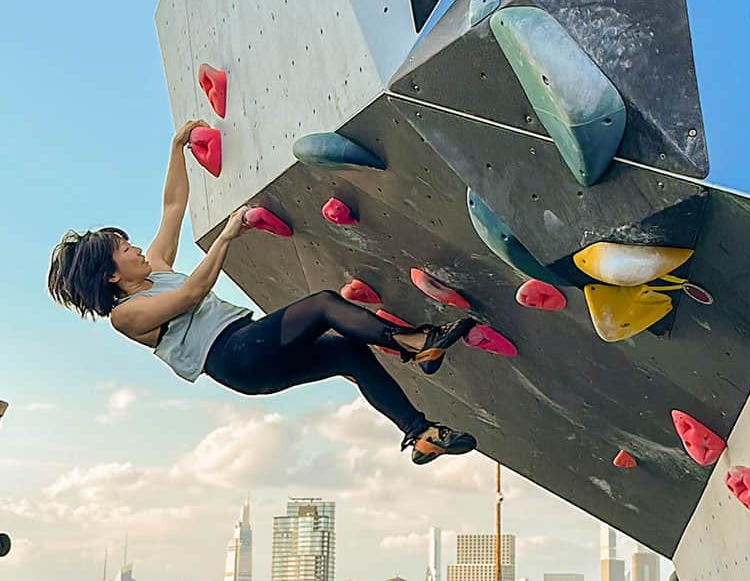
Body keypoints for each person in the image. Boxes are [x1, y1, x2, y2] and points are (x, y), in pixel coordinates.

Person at [47, 120, 477, 464]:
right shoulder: (126, 315)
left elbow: (173, 206)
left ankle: (420, 433)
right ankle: (417, 342)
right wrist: (227, 237)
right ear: (110, 275)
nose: (137, 248)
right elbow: (193, 294)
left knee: (350, 354)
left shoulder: (155, 269)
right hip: (234, 357)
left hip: (250, 351)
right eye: (125, 249)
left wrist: (176, 148)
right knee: (324, 304)